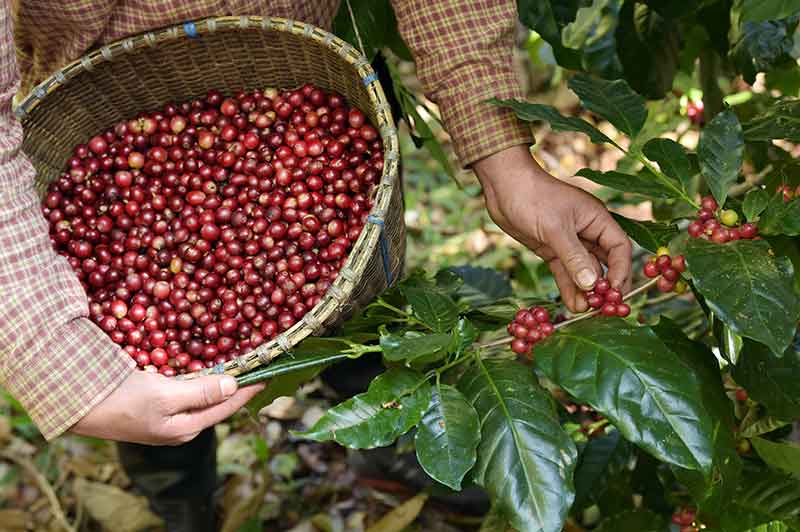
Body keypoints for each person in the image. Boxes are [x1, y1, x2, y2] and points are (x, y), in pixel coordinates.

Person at [0, 1, 632, 530]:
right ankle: (178, 504)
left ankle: (381, 432)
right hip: (94, 88)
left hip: (314, 55)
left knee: (357, 313)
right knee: (147, 389)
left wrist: (502, 153)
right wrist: (59, 360)